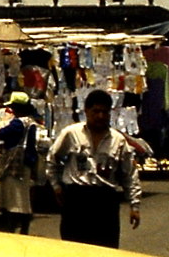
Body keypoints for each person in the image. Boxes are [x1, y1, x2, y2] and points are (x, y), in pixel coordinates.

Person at [47, 90, 141, 248]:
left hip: (105, 203)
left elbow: (129, 175)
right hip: (76, 201)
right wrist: (56, 187)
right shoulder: (71, 134)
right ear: (86, 111)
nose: (100, 116)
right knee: (74, 252)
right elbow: (52, 160)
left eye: (105, 112)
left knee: (105, 253)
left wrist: (135, 205)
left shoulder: (118, 141)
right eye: (96, 111)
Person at [0, 93, 40, 235]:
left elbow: (1, 134)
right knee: (23, 197)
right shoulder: (31, 122)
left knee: (15, 198)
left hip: (15, 164)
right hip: (26, 162)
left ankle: (12, 227)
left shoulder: (18, 123)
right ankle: (24, 227)